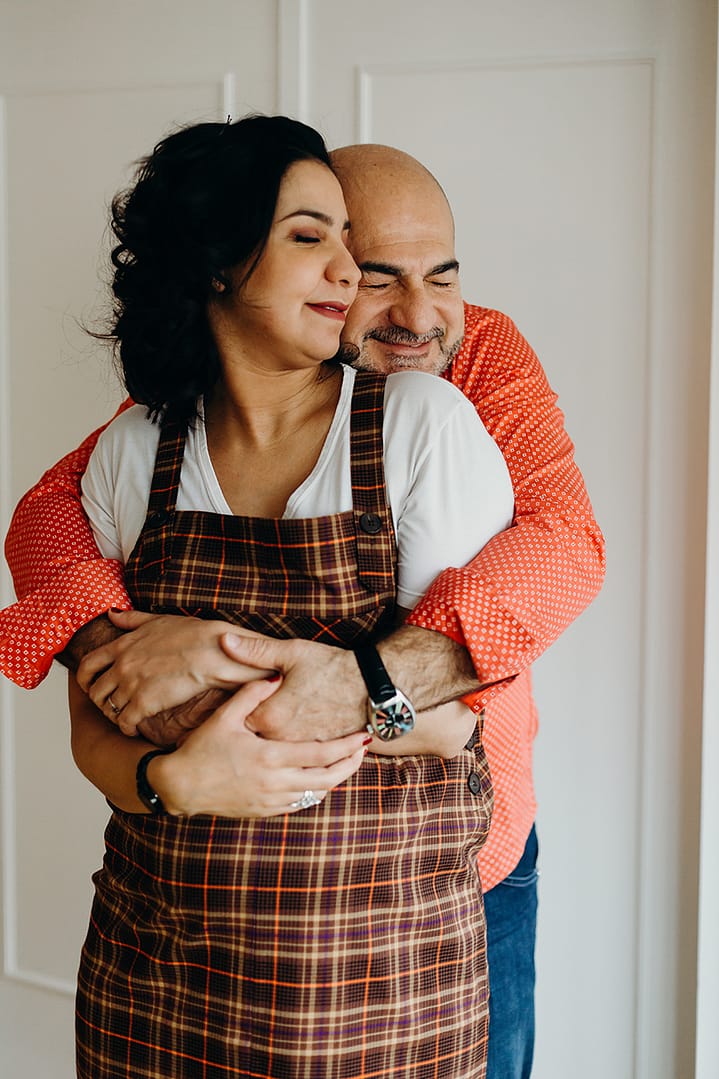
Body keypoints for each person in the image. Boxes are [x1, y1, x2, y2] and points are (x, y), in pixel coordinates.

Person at [0, 143, 605, 1078]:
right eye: (370, 274)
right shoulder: (205, 397)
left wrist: (342, 682)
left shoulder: (464, 363)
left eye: (441, 275)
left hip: (443, 871)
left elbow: (564, 544)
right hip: (188, 927)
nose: (418, 316)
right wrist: (114, 651)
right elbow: (50, 511)